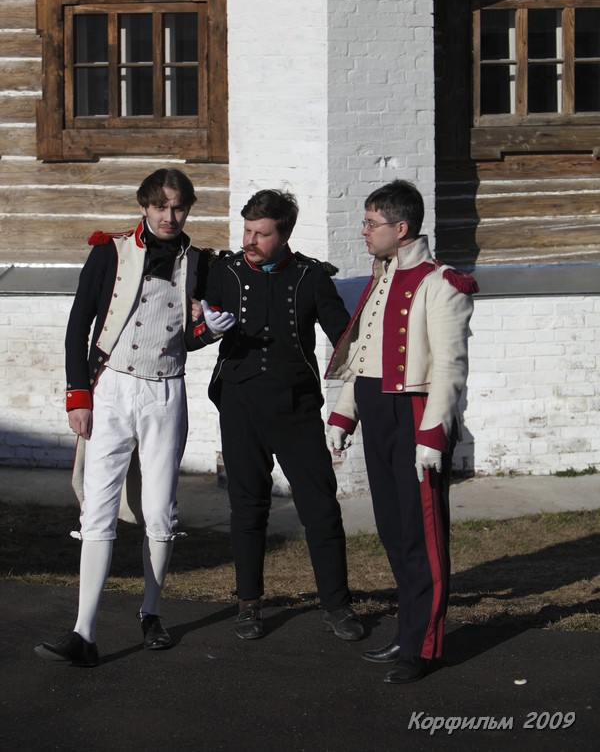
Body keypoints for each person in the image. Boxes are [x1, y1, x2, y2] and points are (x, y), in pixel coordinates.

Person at [35, 167, 223, 667]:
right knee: (97, 509)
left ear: (188, 209)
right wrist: (78, 396)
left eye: (178, 207)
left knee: (160, 511)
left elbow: (189, 337)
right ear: (144, 206)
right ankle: (84, 633)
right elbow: (79, 324)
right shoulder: (109, 251)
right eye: (160, 206)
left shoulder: (199, 262)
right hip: (112, 388)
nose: (169, 216)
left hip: (165, 392)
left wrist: (209, 330)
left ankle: (151, 612)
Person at [189, 189, 363, 642]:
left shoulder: (310, 276)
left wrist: (363, 376)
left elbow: (343, 337)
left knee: (320, 508)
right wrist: (206, 329)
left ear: (283, 235)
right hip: (239, 404)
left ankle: (337, 605)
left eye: (261, 234)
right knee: (247, 507)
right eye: (247, 230)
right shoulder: (224, 272)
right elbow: (189, 335)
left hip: (295, 408)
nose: (250, 240)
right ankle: (248, 604)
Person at [325, 179, 478, 684]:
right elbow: (364, 357)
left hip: (415, 415)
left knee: (422, 534)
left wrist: (433, 434)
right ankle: (408, 632)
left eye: (372, 223)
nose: (364, 231)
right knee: (393, 531)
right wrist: (344, 414)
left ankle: (424, 648)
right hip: (377, 411)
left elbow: (450, 367)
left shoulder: (441, 283)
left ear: (402, 227)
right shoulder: (382, 276)